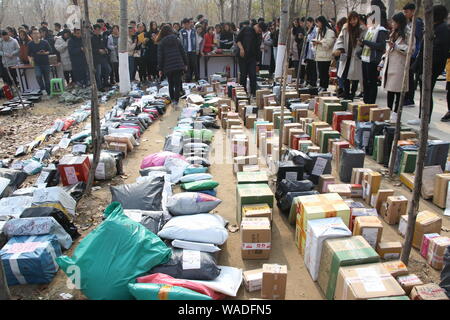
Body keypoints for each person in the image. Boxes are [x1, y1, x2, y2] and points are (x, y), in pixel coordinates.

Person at [414, 5, 450, 122]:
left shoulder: (442, 29)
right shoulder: (433, 27)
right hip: (425, 64)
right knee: (425, 92)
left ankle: (425, 119)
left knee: (427, 92)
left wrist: (426, 63)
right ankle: (422, 117)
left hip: (431, 65)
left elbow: (438, 50)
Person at [379, 12, 412, 122]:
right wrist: (382, 62)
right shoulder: (393, 33)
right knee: (390, 89)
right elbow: (387, 49)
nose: (392, 24)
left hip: (400, 65)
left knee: (397, 90)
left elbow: (410, 49)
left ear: (399, 22)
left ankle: (396, 112)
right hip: (390, 64)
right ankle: (388, 109)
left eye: (394, 22)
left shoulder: (407, 33)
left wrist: (397, 46)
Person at [333, 11, 365, 101]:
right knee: (345, 74)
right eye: (351, 20)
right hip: (346, 54)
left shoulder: (362, 29)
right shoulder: (345, 28)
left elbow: (365, 41)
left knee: (355, 76)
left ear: (357, 19)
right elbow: (340, 39)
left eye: (354, 19)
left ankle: (352, 93)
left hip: (356, 56)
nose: (352, 22)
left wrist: (361, 47)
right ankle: (346, 92)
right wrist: (340, 48)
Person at [360, 4, 388, 104]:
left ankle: (370, 103)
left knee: (371, 82)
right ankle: (365, 102)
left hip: (373, 60)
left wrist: (365, 42)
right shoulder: (370, 29)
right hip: (365, 58)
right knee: (365, 82)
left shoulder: (381, 30)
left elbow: (381, 46)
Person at [157, 24, 187, 106]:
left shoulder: (161, 42)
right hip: (178, 64)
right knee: (177, 84)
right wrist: (185, 63)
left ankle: (172, 99)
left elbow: (160, 57)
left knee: (170, 83)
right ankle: (176, 101)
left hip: (168, 66)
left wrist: (160, 69)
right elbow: (183, 52)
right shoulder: (176, 39)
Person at [403, 2, 424, 108]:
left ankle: (409, 99)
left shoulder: (417, 22)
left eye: (407, 12)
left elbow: (418, 39)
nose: (405, 14)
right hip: (409, 53)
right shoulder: (409, 22)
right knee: (407, 77)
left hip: (414, 54)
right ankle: (406, 97)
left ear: (412, 11)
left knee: (410, 77)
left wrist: (415, 54)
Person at [236, 21, 263, 97]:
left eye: (261, 32)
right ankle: (242, 93)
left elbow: (258, 48)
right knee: (243, 75)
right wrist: (241, 49)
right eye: (259, 30)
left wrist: (258, 60)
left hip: (252, 57)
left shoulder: (258, 35)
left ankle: (253, 93)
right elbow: (238, 40)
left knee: (253, 75)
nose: (259, 32)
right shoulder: (246, 29)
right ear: (257, 26)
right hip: (243, 56)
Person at [313, 16, 336, 92]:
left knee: (324, 72)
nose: (317, 24)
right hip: (319, 55)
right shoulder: (319, 31)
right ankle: (321, 85)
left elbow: (329, 44)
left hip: (326, 56)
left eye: (318, 22)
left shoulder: (330, 32)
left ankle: (324, 86)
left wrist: (319, 42)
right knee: (320, 72)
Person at [27, 29, 51, 95]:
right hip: (37, 63)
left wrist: (45, 53)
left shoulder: (45, 42)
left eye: (37, 33)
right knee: (38, 76)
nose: (36, 35)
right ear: (31, 35)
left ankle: (48, 92)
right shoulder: (30, 44)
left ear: (40, 34)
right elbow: (28, 54)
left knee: (47, 79)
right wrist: (30, 61)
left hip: (46, 63)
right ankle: (43, 89)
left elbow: (50, 51)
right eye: (34, 33)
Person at [91, 24, 111, 91]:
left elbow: (103, 45)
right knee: (98, 73)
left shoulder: (101, 37)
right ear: (94, 30)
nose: (99, 31)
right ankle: (99, 86)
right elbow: (90, 49)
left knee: (108, 69)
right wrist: (98, 50)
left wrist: (105, 49)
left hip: (103, 57)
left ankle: (106, 82)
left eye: (100, 30)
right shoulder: (91, 38)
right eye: (97, 30)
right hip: (96, 58)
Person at [179, 18, 199, 82]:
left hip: (193, 50)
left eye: (188, 24)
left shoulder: (193, 31)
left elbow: (196, 40)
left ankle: (197, 79)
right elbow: (181, 42)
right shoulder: (181, 32)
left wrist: (197, 49)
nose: (186, 25)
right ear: (183, 25)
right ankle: (188, 79)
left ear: (189, 24)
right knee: (187, 66)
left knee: (195, 65)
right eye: (185, 24)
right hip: (185, 52)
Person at [303, 17, 318, 88]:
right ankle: (308, 81)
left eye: (308, 23)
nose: (307, 25)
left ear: (312, 22)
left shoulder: (315, 30)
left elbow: (312, 40)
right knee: (308, 69)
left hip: (312, 53)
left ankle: (313, 82)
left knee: (313, 69)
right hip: (308, 53)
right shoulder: (309, 30)